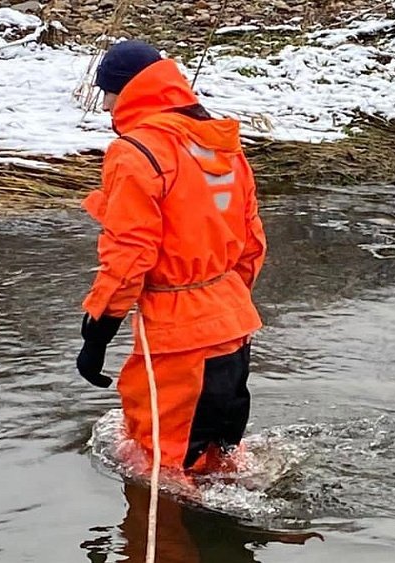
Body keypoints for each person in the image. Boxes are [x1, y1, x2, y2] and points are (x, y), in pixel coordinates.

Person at [75, 40, 267, 472]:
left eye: (108, 93)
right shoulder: (221, 145)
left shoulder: (136, 152)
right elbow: (252, 243)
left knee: (159, 469)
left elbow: (129, 255)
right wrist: (222, 308)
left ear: (129, 92)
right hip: (234, 328)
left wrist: (98, 334)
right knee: (221, 463)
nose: (106, 107)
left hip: (177, 343)